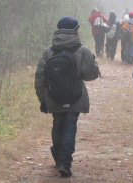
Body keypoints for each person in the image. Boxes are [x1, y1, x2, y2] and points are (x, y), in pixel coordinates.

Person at [35, 17, 100, 177]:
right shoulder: (82, 50)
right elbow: (90, 75)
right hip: (75, 97)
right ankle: (64, 162)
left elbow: (40, 77)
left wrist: (43, 98)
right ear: (74, 30)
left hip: (54, 97)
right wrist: (94, 63)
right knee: (70, 126)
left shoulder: (49, 52)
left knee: (58, 124)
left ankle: (58, 156)